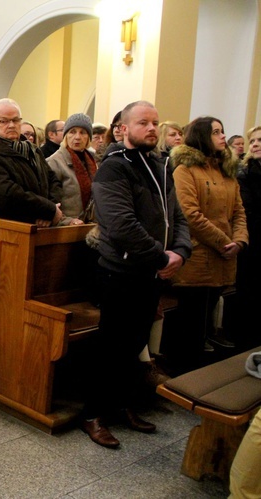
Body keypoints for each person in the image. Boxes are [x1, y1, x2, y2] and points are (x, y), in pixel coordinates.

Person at [82, 100, 191, 449]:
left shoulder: (160, 166)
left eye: (155, 122)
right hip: (120, 271)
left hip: (151, 273)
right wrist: (162, 257)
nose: (152, 128)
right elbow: (120, 223)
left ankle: (122, 405)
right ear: (123, 129)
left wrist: (181, 251)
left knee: (135, 344)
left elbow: (178, 216)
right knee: (110, 346)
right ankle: (94, 414)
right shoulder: (114, 167)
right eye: (143, 122)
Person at [169, 117, 247, 371]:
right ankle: (184, 378)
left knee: (204, 326)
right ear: (202, 136)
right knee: (190, 325)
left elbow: (238, 211)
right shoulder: (185, 170)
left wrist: (240, 240)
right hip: (198, 256)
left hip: (223, 257)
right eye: (216, 132)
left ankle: (199, 376)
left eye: (222, 131)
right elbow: (190, 214)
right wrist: (226, 242)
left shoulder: (226, 170)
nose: (223, 136)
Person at [0, 98, 63, 277]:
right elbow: (7, 195)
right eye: (3, 121)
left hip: (34, 232)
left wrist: (51, 208)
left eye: (15, 120)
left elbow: (52, 180)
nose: (11, 125)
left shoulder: (32, 150)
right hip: (3, 238)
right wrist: (48, 209)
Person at [45, 113, 96, 224]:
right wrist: (67, 221)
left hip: (88, 226)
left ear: (88, 137)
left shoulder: (92, 160)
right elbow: (50, 201)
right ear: (66, 135)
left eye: (82, 132)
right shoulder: (54, 162)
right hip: (66, 228)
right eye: (72, 132)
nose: (77, 137)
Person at [237, 126, 261, 350]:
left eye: (260, 140)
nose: (255, 144)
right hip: (253, 244)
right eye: (252, 141)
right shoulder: (245, 175)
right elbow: (247, 212)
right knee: (250, 295)